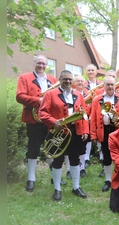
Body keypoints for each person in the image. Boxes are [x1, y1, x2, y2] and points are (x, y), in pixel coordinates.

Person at [39, 70, 89, 201]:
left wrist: (85, 131)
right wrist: (53, 122)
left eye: (70, 79)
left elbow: (84, 115)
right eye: (65, 79)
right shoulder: (50, 94)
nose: (68, 81)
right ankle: (57, 189)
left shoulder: (78, 94)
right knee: (57, 161)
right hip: (58, 132)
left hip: (75, 132)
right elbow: (42, 113)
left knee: (75, 160)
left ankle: (76, 187)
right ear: (60, 80)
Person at [16, 55, 60, 192]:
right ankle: (31, 178)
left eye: (43, 64)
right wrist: (38, 100)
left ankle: (55, 177)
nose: (41, 66)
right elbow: (19, 96)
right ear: (34, 63)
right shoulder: (24, 77)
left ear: (46, 65)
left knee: (50, 148)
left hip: (48, 120)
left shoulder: (52, 80)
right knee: (33, 148)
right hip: (32, 119)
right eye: (39, 63)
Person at [90, 76, 119, 192]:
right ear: (104, 86)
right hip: (105, 130)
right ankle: (108, 180)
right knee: (106, 156)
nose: (110, 87)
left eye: (112, 84)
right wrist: (93, 135)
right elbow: (93, 118)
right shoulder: (97, 99)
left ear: (115, 85)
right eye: (108, 84)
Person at [64, 76, 91, 179]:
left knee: (82, 148)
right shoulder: (67, 94)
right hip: (68, 125)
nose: (80, 82)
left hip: (82, 124)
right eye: (78, 81)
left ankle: (82, 168)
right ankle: (68, 170)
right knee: (67, 150)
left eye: (82, 81)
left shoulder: (85, 94)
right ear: (73, 83)